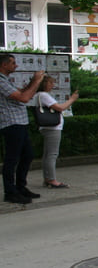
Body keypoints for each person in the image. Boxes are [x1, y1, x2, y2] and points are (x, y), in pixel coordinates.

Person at [0, 54, 45, 204]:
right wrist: (37, 81)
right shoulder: (1, 81)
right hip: (11, 123)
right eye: (12, 63)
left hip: (20, 122)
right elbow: (24, 98)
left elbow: (23, 92)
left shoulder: (7, 80)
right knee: (12, 159)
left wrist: (33, 80)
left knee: (28, 155)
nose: (16, 66)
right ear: (3, 65)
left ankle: (20, 187)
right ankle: (10, 191)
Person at [36, 75, 79, 188]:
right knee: (52, 154)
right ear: (45, 84)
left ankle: (48, 178)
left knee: (47, 154)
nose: (52, 85)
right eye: (50, 83)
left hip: (48, 128)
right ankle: (51, 180)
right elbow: (60, 107)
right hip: (52, 128)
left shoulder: (40, 95)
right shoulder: (44, 95)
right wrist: (72, 99)